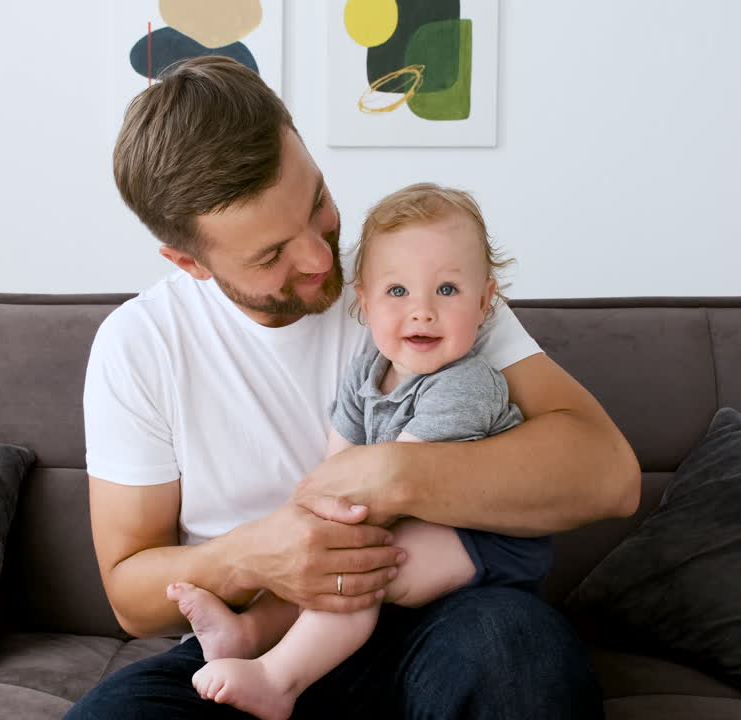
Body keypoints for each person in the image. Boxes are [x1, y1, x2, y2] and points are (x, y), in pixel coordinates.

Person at [66, 55, 640, 720]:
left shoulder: (419, 289)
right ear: (190, 261)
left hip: (439, 620)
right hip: (257, 646)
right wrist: (253, 556)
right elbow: (130, 594)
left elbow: (609, 475)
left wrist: (397, 474)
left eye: (317, 205)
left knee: (515, 652)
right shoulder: (139, 345)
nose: (316, 258)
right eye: (270, 254)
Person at [166, 182, 558, 720]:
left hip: (486, 542)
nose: (422, 312)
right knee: (330, 552)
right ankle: (248, 631)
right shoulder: (368, 370)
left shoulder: (469, 385)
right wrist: (309, 523)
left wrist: (328, 526)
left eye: (447, 291)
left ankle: (279, 680)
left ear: (485, 301)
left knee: (359, 569)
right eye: (398, 292)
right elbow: (339, 464)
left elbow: (393, 482)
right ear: (364, 300)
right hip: (413, 516)